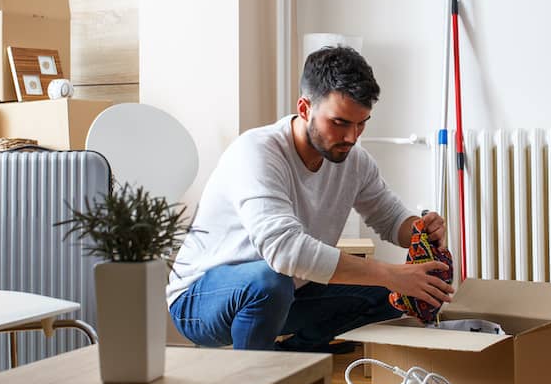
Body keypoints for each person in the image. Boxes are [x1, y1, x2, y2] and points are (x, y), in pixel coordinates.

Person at [167, 46, 454, 351]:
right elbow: (285, 252)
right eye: (340, 122)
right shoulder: (256, 152)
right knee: (269, 281)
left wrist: (419, 229)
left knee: (392, 298)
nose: (352, 137)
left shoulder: (355, 161)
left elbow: (390, 217)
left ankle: (294, 360)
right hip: (199, 299)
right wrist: (391, 274)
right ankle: (254, 379)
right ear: (305, 109)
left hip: (286, 289)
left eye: (361, 123)